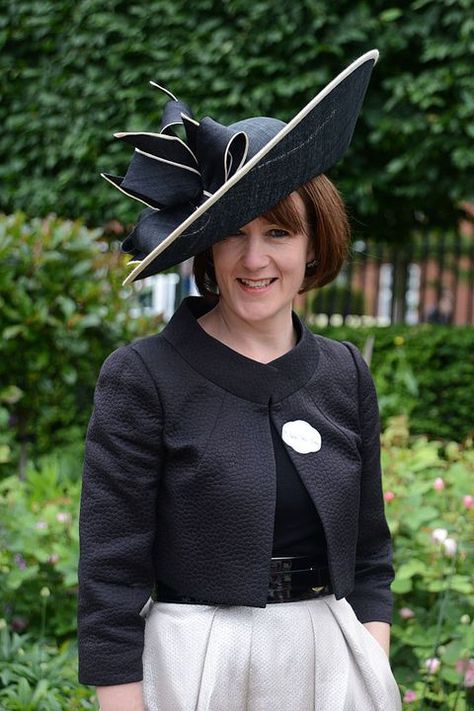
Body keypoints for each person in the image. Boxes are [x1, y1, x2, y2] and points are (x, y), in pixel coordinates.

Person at [77, 50, 402, 710]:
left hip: (329, 662)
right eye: (234, 234)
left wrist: (369, 653)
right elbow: (109, 580)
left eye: (279, 231)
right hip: (196, 664)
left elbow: (370, 551)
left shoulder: (346, 373)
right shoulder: (144, 377)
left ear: (313, 244)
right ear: (208, 247)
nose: (255, 259)